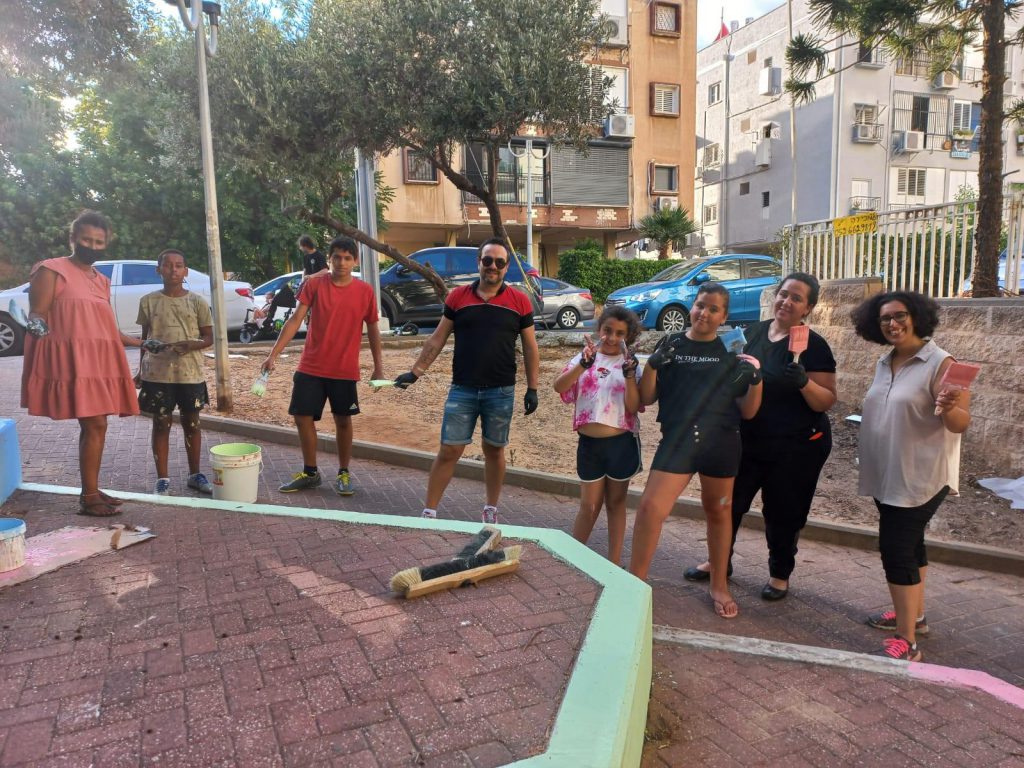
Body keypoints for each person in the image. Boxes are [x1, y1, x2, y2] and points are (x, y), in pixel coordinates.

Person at [684, 273, 837, 601]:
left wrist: (804, 383)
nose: (787, 302)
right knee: (729, 504)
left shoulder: (814, 346)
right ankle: (719, 562)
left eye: (797, 298)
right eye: (784, 294)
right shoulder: (751, 333)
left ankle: (780, 573)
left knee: (784, 511)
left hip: (796, 447)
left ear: (808, 308)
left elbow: (826, 400)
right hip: (748, 440)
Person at [628, 283, 763, 618]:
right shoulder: (671, 343)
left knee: (719, 512)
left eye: (713, 309)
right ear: (692, 307)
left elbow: (748, 411)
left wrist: (756, 380)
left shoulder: (731, 350)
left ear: (724, 316)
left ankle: (719, 585)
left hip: (721, 441)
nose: (705, 313)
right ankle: (635, 582)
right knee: (650, 509)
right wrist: (652, 366)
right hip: (678, 441)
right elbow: (647, 398)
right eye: (700, 305)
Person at [852, 291, 970, 662]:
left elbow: (959, 423)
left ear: (916, 316)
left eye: (899, 315)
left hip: (919, 476)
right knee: (911, 545)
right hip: (887, 471)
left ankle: (907, 642)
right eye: (885, 318)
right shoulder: (885, 361)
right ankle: (915, 617)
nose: (893, 323)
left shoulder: (941, 363)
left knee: (896, 550)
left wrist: (949, 407)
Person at [394, 238, 540, 524]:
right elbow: (438, 338)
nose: (493, 266)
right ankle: (429, 512)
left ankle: (491, 509)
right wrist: (416, 371)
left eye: (499, 262)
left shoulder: (519, 301)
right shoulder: (458, 297)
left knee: (494, 450)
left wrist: (533, 388)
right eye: (488, 260)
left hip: (500, 390)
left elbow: (531, 347)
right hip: (463, 389)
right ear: (479, 262)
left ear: (506, 267)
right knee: (449, 449)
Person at [20, 210, 142, 516]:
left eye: (99, 242)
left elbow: (105, 325)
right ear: (73, 238)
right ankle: (89, 497)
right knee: (95, 423)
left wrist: (140, 342)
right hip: (73, 360)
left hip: (100, 360)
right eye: (86, 240)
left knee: (97, 425)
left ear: (106, 243)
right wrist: (36, 324)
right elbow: (38, 312)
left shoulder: (102, 280)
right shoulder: (51, 269)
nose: (92, 246)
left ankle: (92, 489)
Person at [262, 237, 384, 495]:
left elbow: (373, 328)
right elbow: (295, 319)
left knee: (343, 420)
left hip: (344, 368)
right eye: (336, 257)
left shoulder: (365, 291)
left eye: (347, 258)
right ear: (328, 260)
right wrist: (273, 354)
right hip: (311, 365)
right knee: (302, 416)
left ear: (355, 261)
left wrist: (378, 366)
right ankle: (310, 472)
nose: (342, 262)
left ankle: (343, 472)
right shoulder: (314, 284)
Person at [553, 306, 642, 564]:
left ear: (629, 336)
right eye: (607, 330)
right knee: (589, 505)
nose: (612, 338)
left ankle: (614, 562)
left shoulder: (631, 364)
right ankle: (573, 559)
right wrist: (583, 365)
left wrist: (629, 374)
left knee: (615, 503)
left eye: (620, 333)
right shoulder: (585, 357)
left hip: (621, 444)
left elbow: (634, 406)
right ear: (599, 329)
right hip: (589, 444)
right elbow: (559, 386)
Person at [135, 249, 215, 496]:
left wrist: (192, 345)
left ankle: (195, 474)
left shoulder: (198, 302)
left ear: (186, 271)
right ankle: (163, 478)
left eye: (179, 265)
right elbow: (145, 339)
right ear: (158, 270)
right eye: (168, 265)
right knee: (161, 424)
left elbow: (209, 337)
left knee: (192, 423)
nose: (173, 270)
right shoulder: (148, 301)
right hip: (156, 375)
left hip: (190, 374)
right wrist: (139, 370)